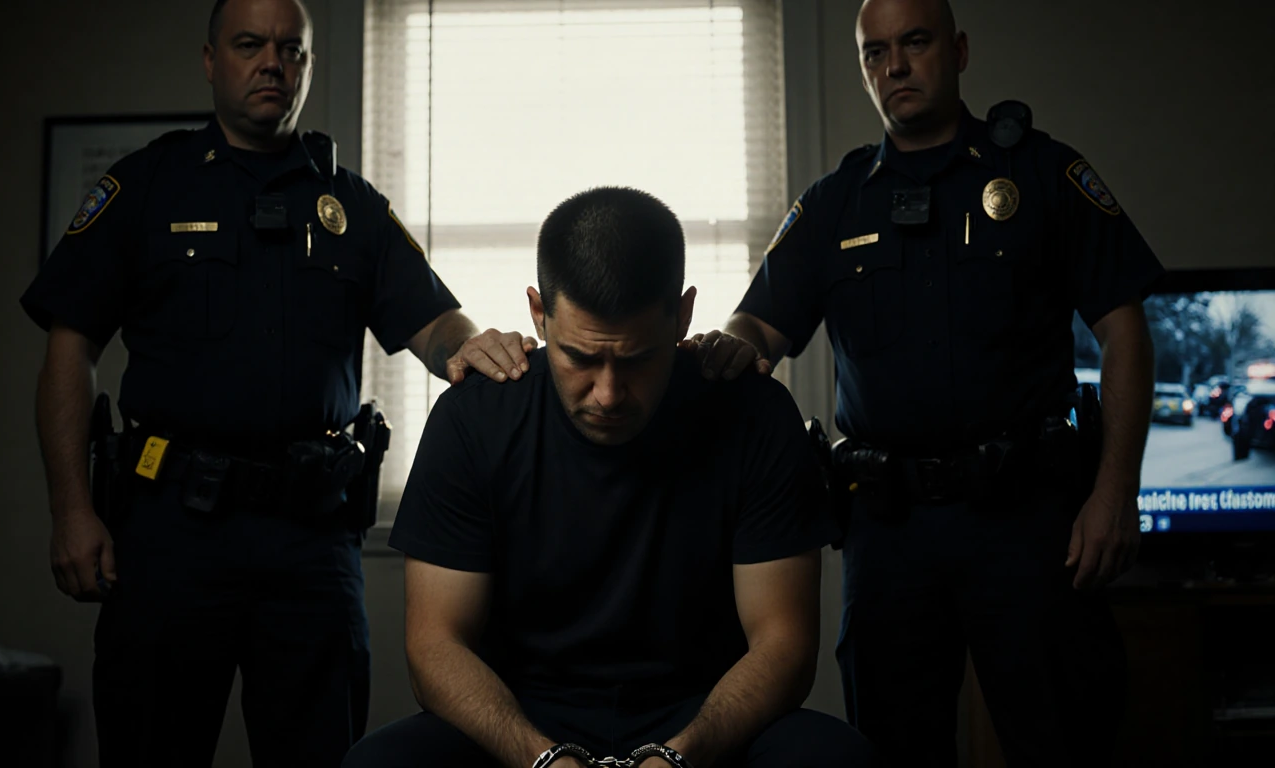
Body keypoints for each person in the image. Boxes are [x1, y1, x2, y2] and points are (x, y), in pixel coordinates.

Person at [20, 0, 536, 765]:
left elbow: (435, 327)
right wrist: (70, 509)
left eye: (291, 50)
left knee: (321, 754)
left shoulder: (351, 207)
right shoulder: (148, 187)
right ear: (210, 60)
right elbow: (70, 351)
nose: (272, 63)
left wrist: (478, 348)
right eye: (250, 45)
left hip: (310, 540)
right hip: (169, 531)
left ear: (308, 64)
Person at [693, 0, 1165, 765]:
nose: (895, 67)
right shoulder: (833, 203)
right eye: (874, 53)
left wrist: (1116, 492)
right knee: (893, 747)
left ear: (960, 49)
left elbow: (1125, 333)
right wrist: (725, 345)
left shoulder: (1043, 174)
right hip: (888, 532)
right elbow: (758, 333)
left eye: (914, 43)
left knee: (1062, 738)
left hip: (1030, 520)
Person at [340, 187, 882, 768]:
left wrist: (677, 756)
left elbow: (785, 645)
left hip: (704, 714)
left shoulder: (755, 413)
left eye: (637, 359)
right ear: (538, 314)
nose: (607, 393)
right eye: (579, 357)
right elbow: (435, 646)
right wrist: (542, 758)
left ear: (683, 315)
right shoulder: (473, 419)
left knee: (835, 758)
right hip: (522, 717)